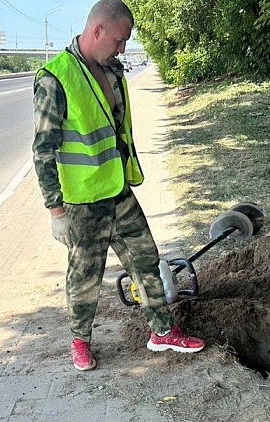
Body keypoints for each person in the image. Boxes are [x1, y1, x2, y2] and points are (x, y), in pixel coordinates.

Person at [31, 0, 204, 371]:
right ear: (97, 31)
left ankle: (162, 332)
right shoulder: (55, 79)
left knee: (147, 260)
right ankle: (80, 341)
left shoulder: (111, 70)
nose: (124, 48)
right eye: (120, 40)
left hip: (118, 192)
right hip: (82, 202)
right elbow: (42, 151)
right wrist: (55, 210)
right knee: (84, 278)